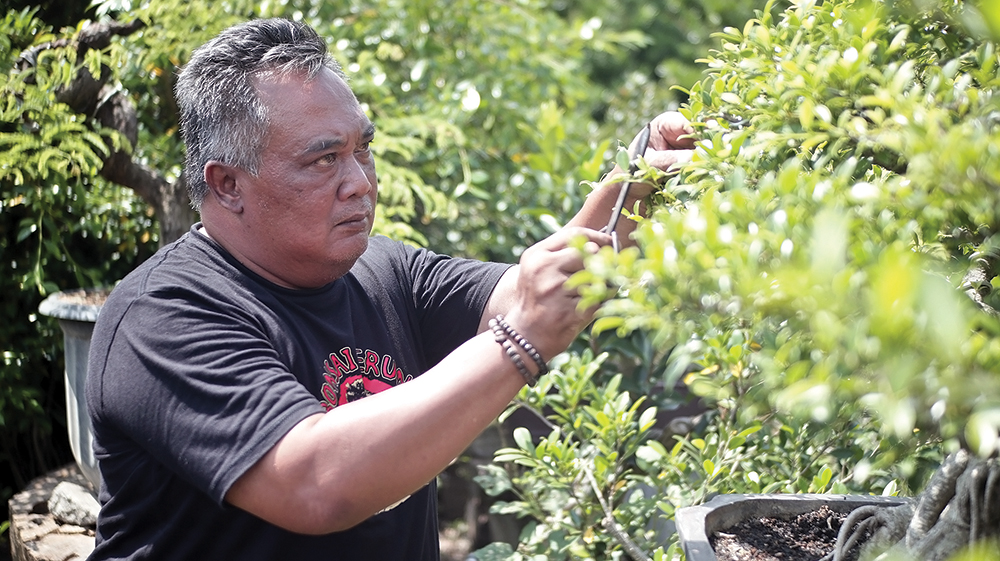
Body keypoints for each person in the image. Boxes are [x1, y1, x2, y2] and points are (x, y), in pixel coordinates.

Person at [85, 17, 695, 561]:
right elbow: (314, 483)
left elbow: (528, 296)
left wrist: (631, 189)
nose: (360, 182)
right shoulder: (163, 314)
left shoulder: (382, 270)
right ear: (227, 184)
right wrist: (521, 341)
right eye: (324, 160)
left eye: (363, 150)